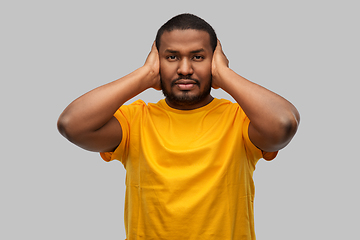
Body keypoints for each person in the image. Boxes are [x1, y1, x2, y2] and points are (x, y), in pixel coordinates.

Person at [58, 13, 300, 240]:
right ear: (157, 61)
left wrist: (225, 75)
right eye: (172, 57)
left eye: (198, 57)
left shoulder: (240, 119)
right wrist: (145, 75)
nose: (185, 69)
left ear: (214, 60)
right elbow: (71, 124)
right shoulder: (135, 120)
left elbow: (283, 124)